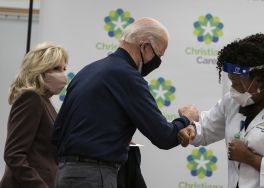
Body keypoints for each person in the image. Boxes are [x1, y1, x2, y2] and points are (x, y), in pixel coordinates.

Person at [52, 17, 195, 188]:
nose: (157, 63)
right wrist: (186, 119)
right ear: (144, 46)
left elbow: (57, 132)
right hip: (95, 176)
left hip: (64, 174)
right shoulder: (128, 77)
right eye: (158, 56)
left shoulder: (87, 71)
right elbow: (163, 136)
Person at [178, 33, 264, 188]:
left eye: (238, 83)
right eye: (231, 82)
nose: (233, 89)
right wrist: (192, 130)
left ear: (260, 79)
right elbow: (207, 128)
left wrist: (251, 159)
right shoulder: (233, 101)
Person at [0, 43, 68, 188]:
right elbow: (14, 154)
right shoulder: (31, 98)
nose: (63, 74)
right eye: (56, 68)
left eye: (64, 69)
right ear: (39, 70)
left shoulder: (45, 102)